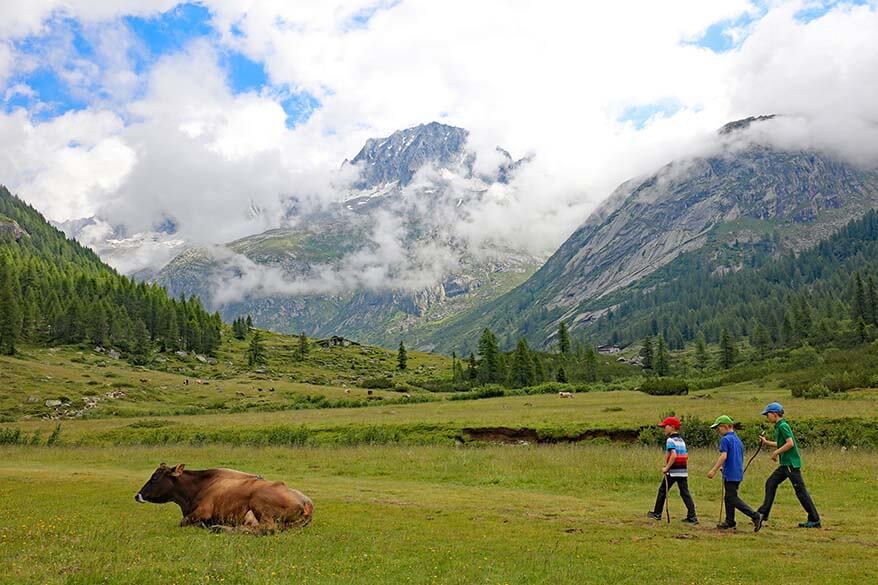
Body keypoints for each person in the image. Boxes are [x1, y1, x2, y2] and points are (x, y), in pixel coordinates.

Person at [756, 402, 821, 528]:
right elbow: (783, 443)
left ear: (774, 414)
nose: (767, 417)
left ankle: (815, 519)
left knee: (800, 492)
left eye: (767, 414)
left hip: (790, 465)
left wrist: (776, 453)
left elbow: (790, 443)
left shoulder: (783, 426)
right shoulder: (779, 426)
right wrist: (767, 443)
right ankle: (763, 513)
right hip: (785, 465)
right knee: (771, 483)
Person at [707, 415, 762, 531]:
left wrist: (714, 469)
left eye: (718, 428)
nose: (718, 431)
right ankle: (730, 521)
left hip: (731, 474)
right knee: (729, 497)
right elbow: (735, 457)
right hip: (737, 472)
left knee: (732, 498)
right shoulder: (737, 439)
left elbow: (724, 456)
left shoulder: (725, 439)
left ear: (726, 426)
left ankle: (755, 516)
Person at [647, 416, 698, 524]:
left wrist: (667, 467)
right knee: (685, 493)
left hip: (673, 471)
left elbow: (673, 455)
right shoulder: (681, 440)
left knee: (662, 491)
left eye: (665, 426)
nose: (664, 429)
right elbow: (686, 455)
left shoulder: (670, 440)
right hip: (682, 471)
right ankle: (692, 517)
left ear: (672, 427)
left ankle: (657, 513)